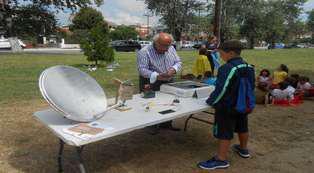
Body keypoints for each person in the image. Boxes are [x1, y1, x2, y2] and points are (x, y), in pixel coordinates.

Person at [197, 40, 255, 170]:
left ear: (231, 53)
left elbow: (222, 89)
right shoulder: (249, 66)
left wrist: (211, 101)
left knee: (224, 131)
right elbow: (251, 86)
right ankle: (243, 149)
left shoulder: (227, 68)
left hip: (227, 106)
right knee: (242, 126)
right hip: (242, 105)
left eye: (222, 53)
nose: (221, 56)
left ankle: (221, 159)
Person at [137, 32, 182, 131]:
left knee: (169, 102)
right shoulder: (144, 51)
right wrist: (157, 76)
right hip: (150, 82)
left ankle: (166, 124)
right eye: (163, 46)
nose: (166, 49)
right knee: (151, 103)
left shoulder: (171, 48)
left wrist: (173, 69)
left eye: (168, 45)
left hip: (169, 80)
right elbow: (142, 70)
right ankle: (150, 126)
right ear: (155, 42)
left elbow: (178, 62)